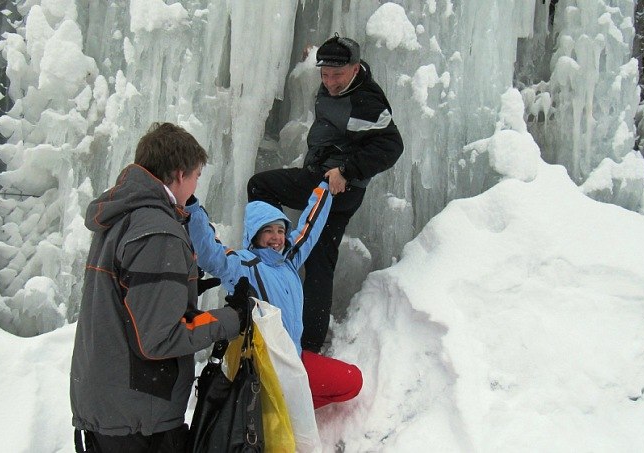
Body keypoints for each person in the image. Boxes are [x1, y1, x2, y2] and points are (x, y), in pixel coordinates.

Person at [70, 122, 248, 452]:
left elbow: (131, 302)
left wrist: (183, 285)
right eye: (196, 175)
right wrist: (232, 319)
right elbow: (158, 338)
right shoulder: (158, 231)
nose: (195, 187)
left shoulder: (125, 215)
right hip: (138, 417)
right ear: (179, 174)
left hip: (112, 405)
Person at [247, 34, 404, 353]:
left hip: (332, 186)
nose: (330, 82)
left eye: (337, 74)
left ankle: (272, 250)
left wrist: (346, 171)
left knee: (260, 186)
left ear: (355, 68)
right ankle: (309, 347)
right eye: (325, 74)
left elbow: (391, 146)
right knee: (320, 264)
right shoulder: (338, 83)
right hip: (326, 181)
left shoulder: (366, 101)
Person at [185, 181, 363, 409]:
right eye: (268, 230)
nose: (276, 237)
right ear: (254, 235)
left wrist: (326, 189)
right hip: (266, 368)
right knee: (342, 384)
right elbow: (210, 253)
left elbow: (310, 228)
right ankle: (277, 410)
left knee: (352, 380)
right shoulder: (243, 266)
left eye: (280, 230)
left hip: (294, 358)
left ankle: (288, 410)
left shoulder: (288, 260)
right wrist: (191, 208)